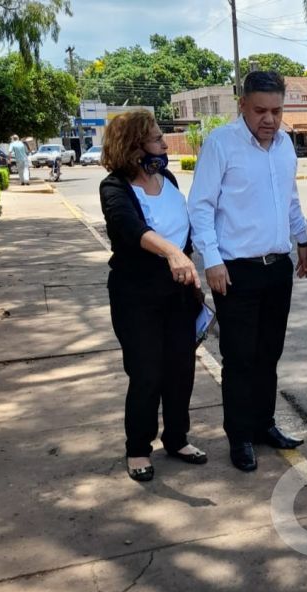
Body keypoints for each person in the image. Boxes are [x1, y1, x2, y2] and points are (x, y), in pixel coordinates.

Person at [188, 71, 307, 474]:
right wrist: (212, 260)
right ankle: (239, 436)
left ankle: (264, 424)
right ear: (242, 105)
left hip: (277, 268)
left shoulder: (285, 146)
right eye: (260, 110)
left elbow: (291, 198)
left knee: (268, 355)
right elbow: (201, 206)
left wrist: (303, 240)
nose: (269, 119)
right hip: (235, 271)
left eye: (277, 110)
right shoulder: (221, 144)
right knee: (240, 358)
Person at [100, 110, 207, 482]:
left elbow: (184, 231)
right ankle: (138, 448)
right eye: (157, 139)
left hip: (178, 293)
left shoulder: (169, 178)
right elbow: (133, 229)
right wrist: (171, 253)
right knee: (147, 372)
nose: (164, 145)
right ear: (133, 145)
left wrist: (188, 264)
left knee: (181, 369)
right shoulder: (114, 187)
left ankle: (176, 438)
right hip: (137, 295)